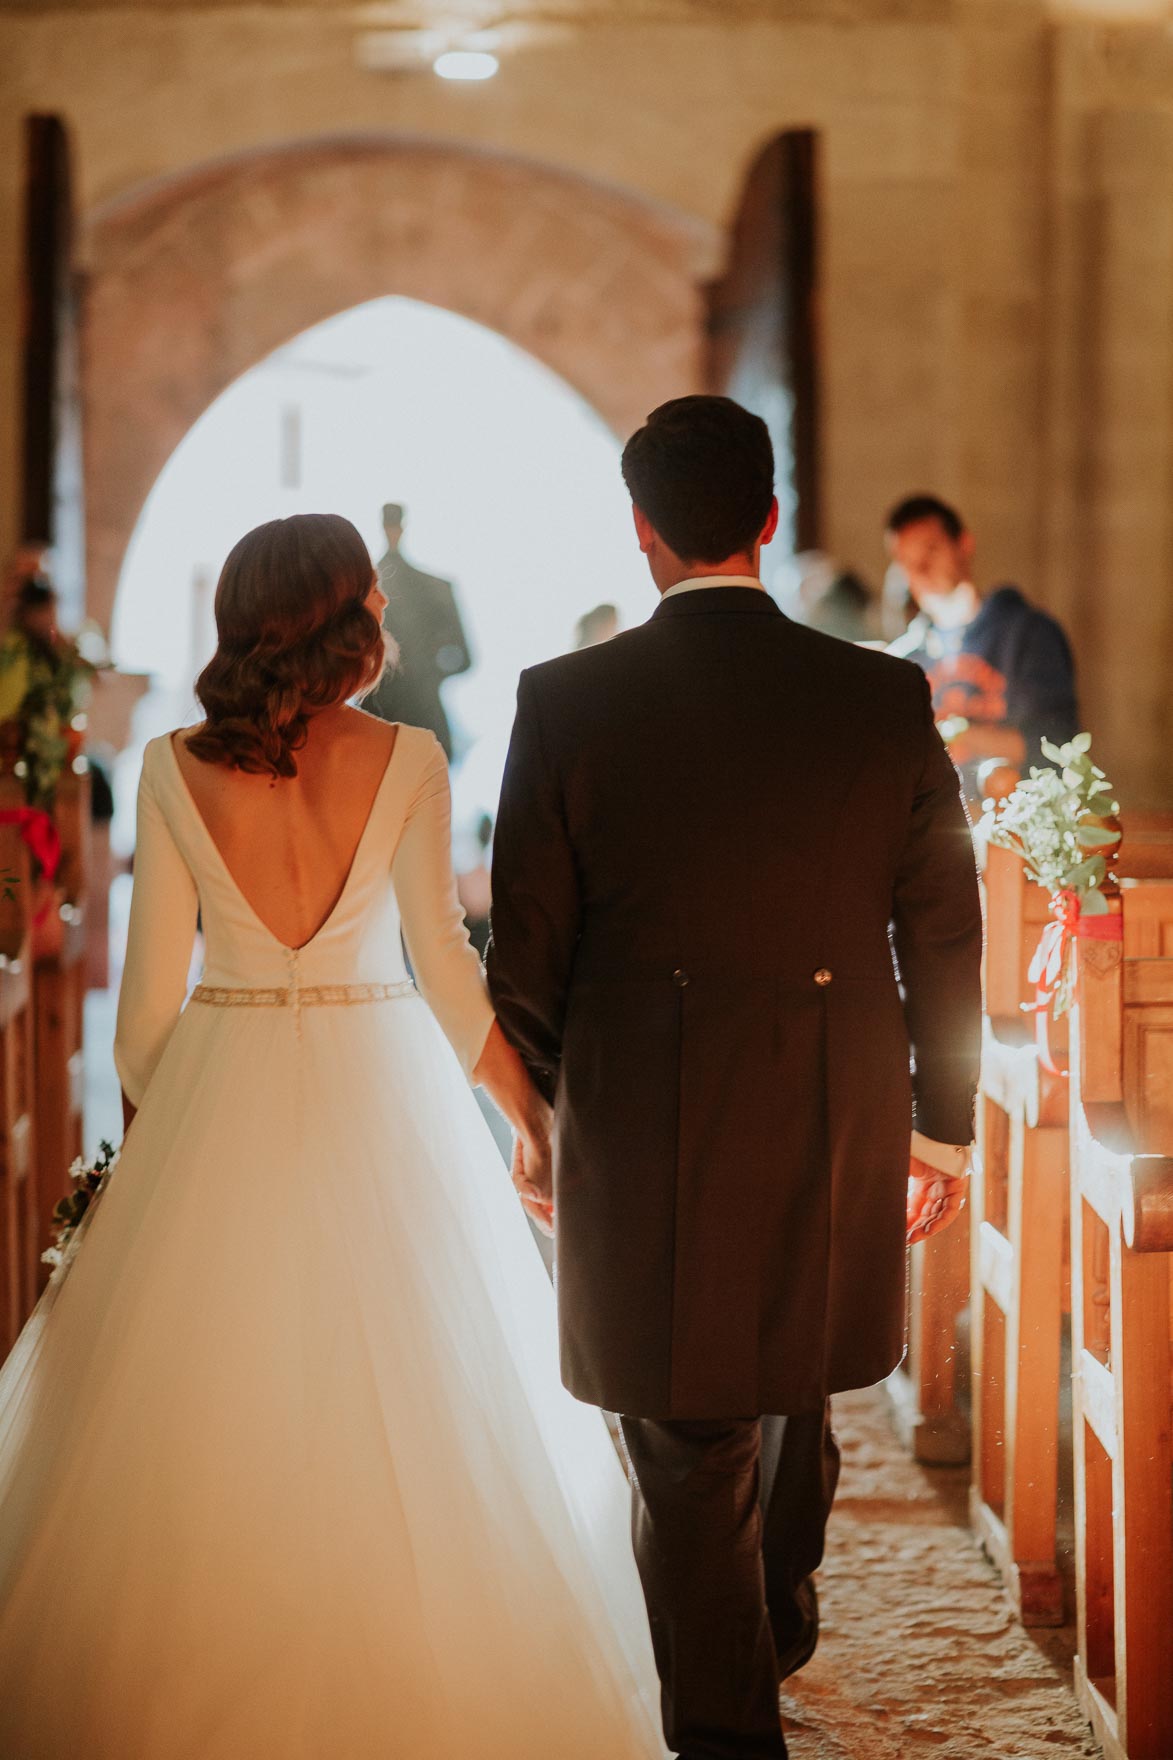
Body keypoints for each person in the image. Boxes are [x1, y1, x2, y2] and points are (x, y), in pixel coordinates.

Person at [0, 514, 664, 1758]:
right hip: (386, 1081)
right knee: (420, 1393)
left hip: (223, 1078)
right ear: (351, 618)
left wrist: (190, 1110)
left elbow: (142, 1024)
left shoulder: (167, 765)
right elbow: (449, 972)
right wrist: (528, 1117)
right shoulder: (410, 755)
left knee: (197, 1410)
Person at [487, 396, 983, 1760]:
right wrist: (942, 1131)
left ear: (642, 534)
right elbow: (942, 921)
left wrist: (546, 1102)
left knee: (686, 1425)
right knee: (787, 1368)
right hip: (835, 1094)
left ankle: (724, 1716)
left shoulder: (564, 699)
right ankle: (769, 1614)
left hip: (641, 1111)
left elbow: (524, 948)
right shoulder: (880, 693)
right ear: (768, 521)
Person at [884, 493, 1079, 773]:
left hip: (1018, 808)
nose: (921, 570)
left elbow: (1056, 745)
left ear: (963, 544)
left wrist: (958, 736)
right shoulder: (906, 657)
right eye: (906, 561)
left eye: (931, 550)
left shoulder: (1028, 634)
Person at [364, 500, 472, 760]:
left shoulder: (363, 592)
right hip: (416, 715)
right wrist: (428, 675)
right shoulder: (435, 588)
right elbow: (464, 659)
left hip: (380, 716)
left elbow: (465, 659)